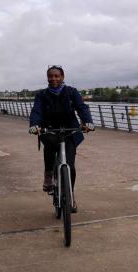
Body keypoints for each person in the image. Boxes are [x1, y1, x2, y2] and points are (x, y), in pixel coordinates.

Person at [29, 65, 94, 213]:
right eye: (50, 76)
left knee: (70, 167)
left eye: (56, 76)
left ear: (62, 77)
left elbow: (82, 108)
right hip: (49, 129)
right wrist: (34, 125)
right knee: (50, 144)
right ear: (47, 78)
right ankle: (48, 174)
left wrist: (88, 122)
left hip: (70, 130)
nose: (53, 79)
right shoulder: (42, 95)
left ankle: (70, 195)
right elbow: (36, 112)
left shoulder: (72, 92)